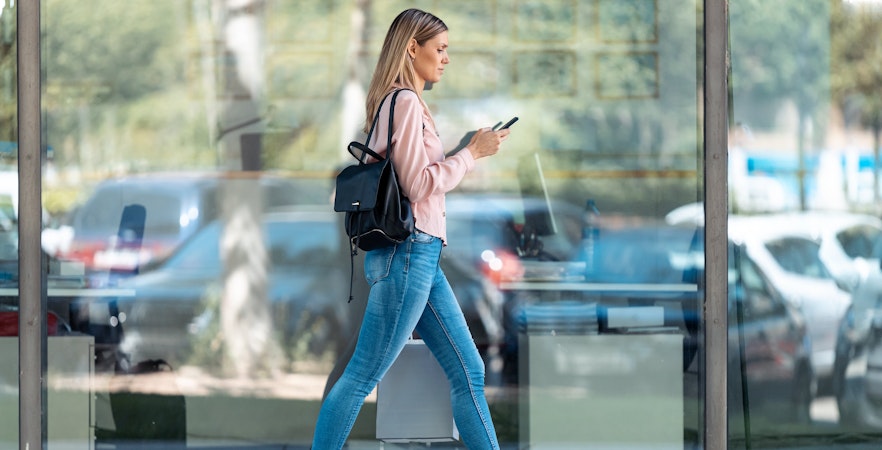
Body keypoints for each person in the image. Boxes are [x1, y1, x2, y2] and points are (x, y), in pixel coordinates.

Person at [311, 8, 509, 450]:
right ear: (411, 48)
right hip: (408, 255)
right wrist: (471, 154)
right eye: (440, 49)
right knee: (362, 374)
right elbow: (418, 184)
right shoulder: (403, 102)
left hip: (421, 256)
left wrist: (465, 153)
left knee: (468, 372)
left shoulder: (405, 104)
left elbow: (414, 178)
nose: (446, 59)